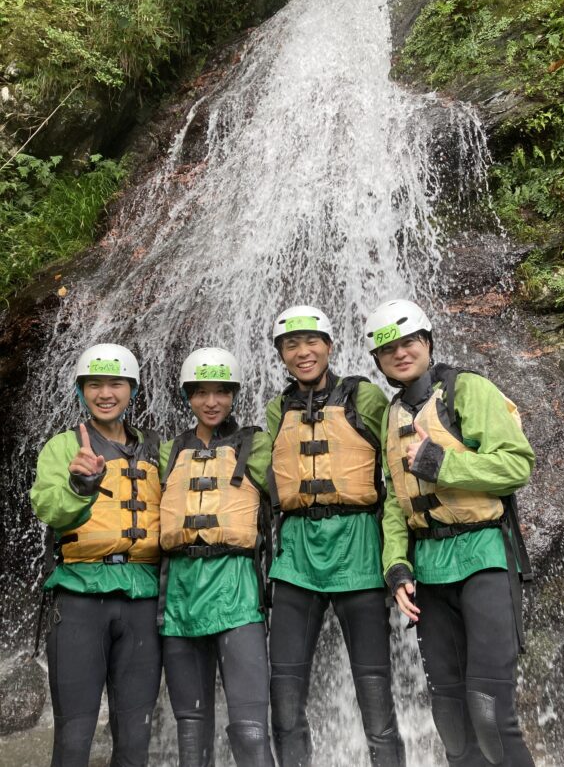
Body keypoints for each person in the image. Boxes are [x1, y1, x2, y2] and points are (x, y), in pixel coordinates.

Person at [365, 298, 536, 767]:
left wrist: (443, 463)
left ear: (427, 342)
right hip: (428, 573)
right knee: (451, 719)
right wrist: (395, 566)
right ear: (378, 361)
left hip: (484, 558)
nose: (401, 353)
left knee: (488, 712)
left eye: (410, 343)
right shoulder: (392, 416)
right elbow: (397, 504)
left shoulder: (467, 390)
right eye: (389, 349)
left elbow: (516, 464)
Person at [266, 305, 406, 767]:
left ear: (329, 346)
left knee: (375, 698)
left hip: (359, 556)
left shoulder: (364, 399)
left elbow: (395, 474)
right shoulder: (276, 409)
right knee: (285, 700)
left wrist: (397, 558)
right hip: (296, 561)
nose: (302, 352)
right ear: (281, 355)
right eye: (291, 345)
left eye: (311, 342)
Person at [30, 343, 162, 767]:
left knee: (135, 736)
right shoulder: (63, 448)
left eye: (116, 384)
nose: (106, 393)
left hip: (143, 600)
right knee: (74, 734)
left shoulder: (158, 449)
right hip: (79, 598)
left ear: (133, 390)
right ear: (81, 391)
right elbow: (48, 507)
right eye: (95, 385)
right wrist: (80, 484)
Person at [158, 347, 275, 767]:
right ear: (188, 397)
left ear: (233, 396)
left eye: (221, 392)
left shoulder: (256, 444)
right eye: (201, 393)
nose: (211, 402)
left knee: (249, 731)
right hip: (179, 598)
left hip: (237, 591)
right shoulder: (168, 451)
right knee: (191, 730)